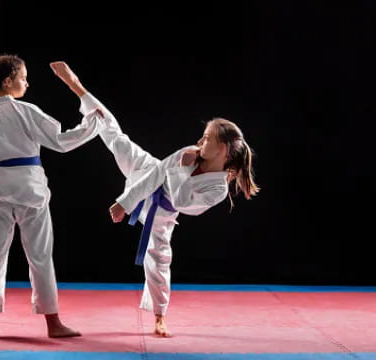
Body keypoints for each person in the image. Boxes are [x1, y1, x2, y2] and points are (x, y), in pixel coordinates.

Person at [50, 61, 260, 337]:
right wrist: (125, 202)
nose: (199, 140)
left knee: (159, 260)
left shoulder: (217, 189)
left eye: (206, 138)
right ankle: (76, 85)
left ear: (221, 149)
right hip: (145, 174)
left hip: (162, 214)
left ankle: (159, 316)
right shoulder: (191, 151)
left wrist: (183, 168)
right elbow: (158, 173)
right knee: (116, 137)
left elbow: (183, 202)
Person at [0, 55, 103, 338]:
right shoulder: (23, 110)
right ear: (8, 81)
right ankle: (53, 324)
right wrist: (93, 123)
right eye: (22, 78)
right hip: (29, 186)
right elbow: (61, 141)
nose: (26, 83)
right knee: (40, 256)